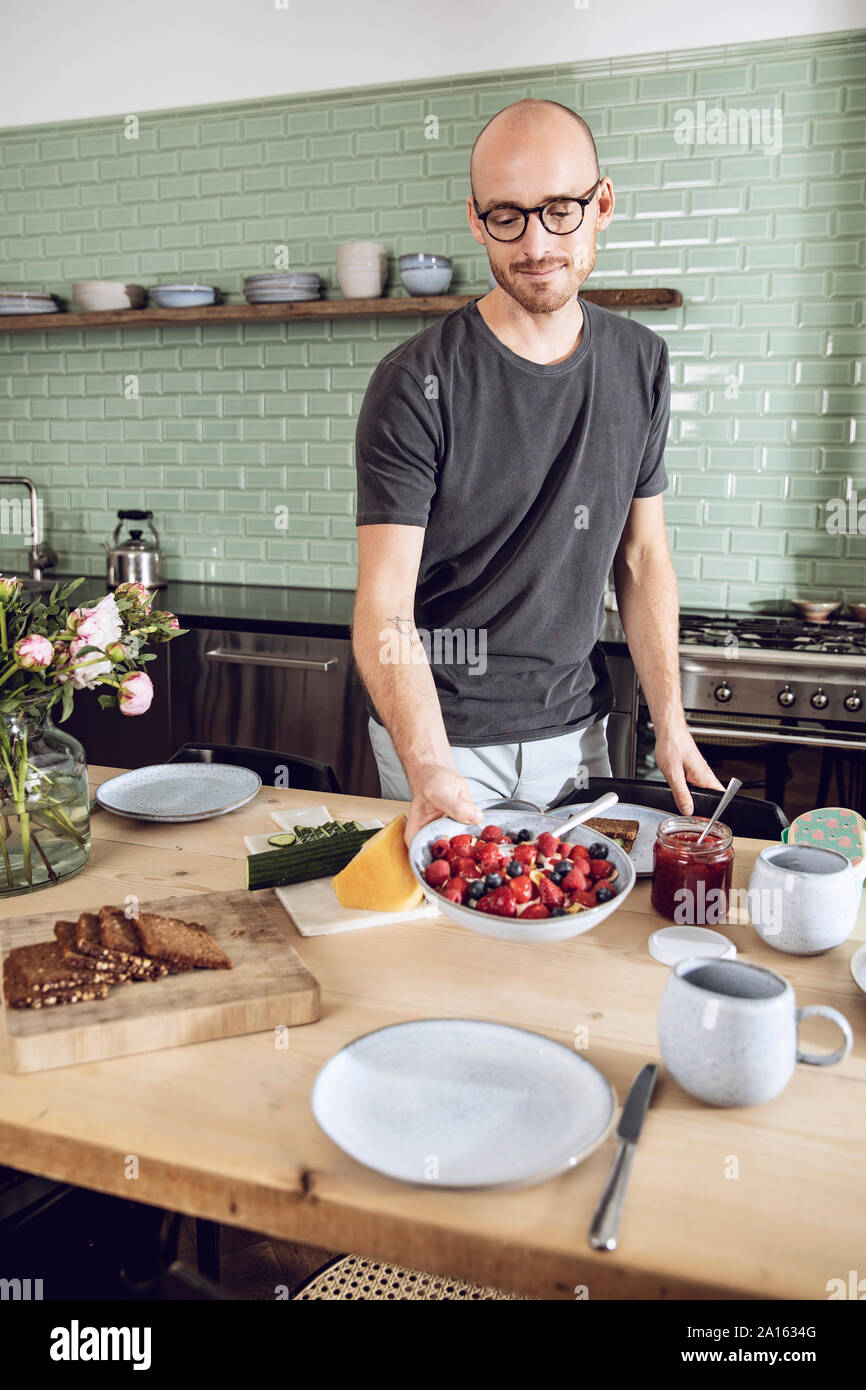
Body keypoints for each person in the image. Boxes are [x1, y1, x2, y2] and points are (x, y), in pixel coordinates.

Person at [352, 97, 723, 848]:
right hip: (444, 737)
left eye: (559, 209)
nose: (536, 242)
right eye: (507, 217)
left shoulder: (640, 362)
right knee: (444, 952)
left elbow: (643, 556)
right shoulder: (416, 380)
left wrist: (671, 723)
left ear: (603, 203)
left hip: (575, 734)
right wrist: (427, 765)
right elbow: (385, 606)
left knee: (567, 940)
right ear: (475, 217)